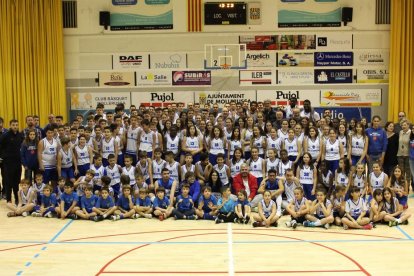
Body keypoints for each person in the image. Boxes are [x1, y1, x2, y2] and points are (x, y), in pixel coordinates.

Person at [0, 119, 24, 203]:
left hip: (18, 162)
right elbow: (1, 147)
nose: (15, 126)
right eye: (13, 125)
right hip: (8, 162)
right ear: (10, 126)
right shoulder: (5, 135)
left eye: (16, 125)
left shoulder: (20, 135)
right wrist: (2, 157)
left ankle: (17, 199)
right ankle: (9, 199)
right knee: (8, 181)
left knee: (16, 181)